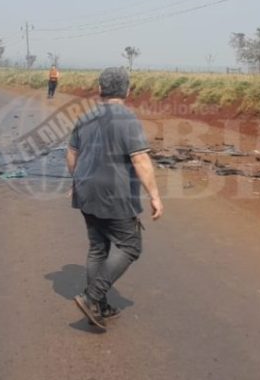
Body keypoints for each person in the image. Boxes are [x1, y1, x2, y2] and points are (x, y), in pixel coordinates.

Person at [66, 67, 164, 329]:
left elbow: (72, 154)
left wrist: (76, 181)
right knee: (131, 246)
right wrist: (154, 196)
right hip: (114, 193)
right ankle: (92, 297)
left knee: (98, 247)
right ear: (127, 91)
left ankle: (98, 305)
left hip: (85, 190)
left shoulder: (85, 116)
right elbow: (141, 159)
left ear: (100, 90)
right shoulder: (128, 119)